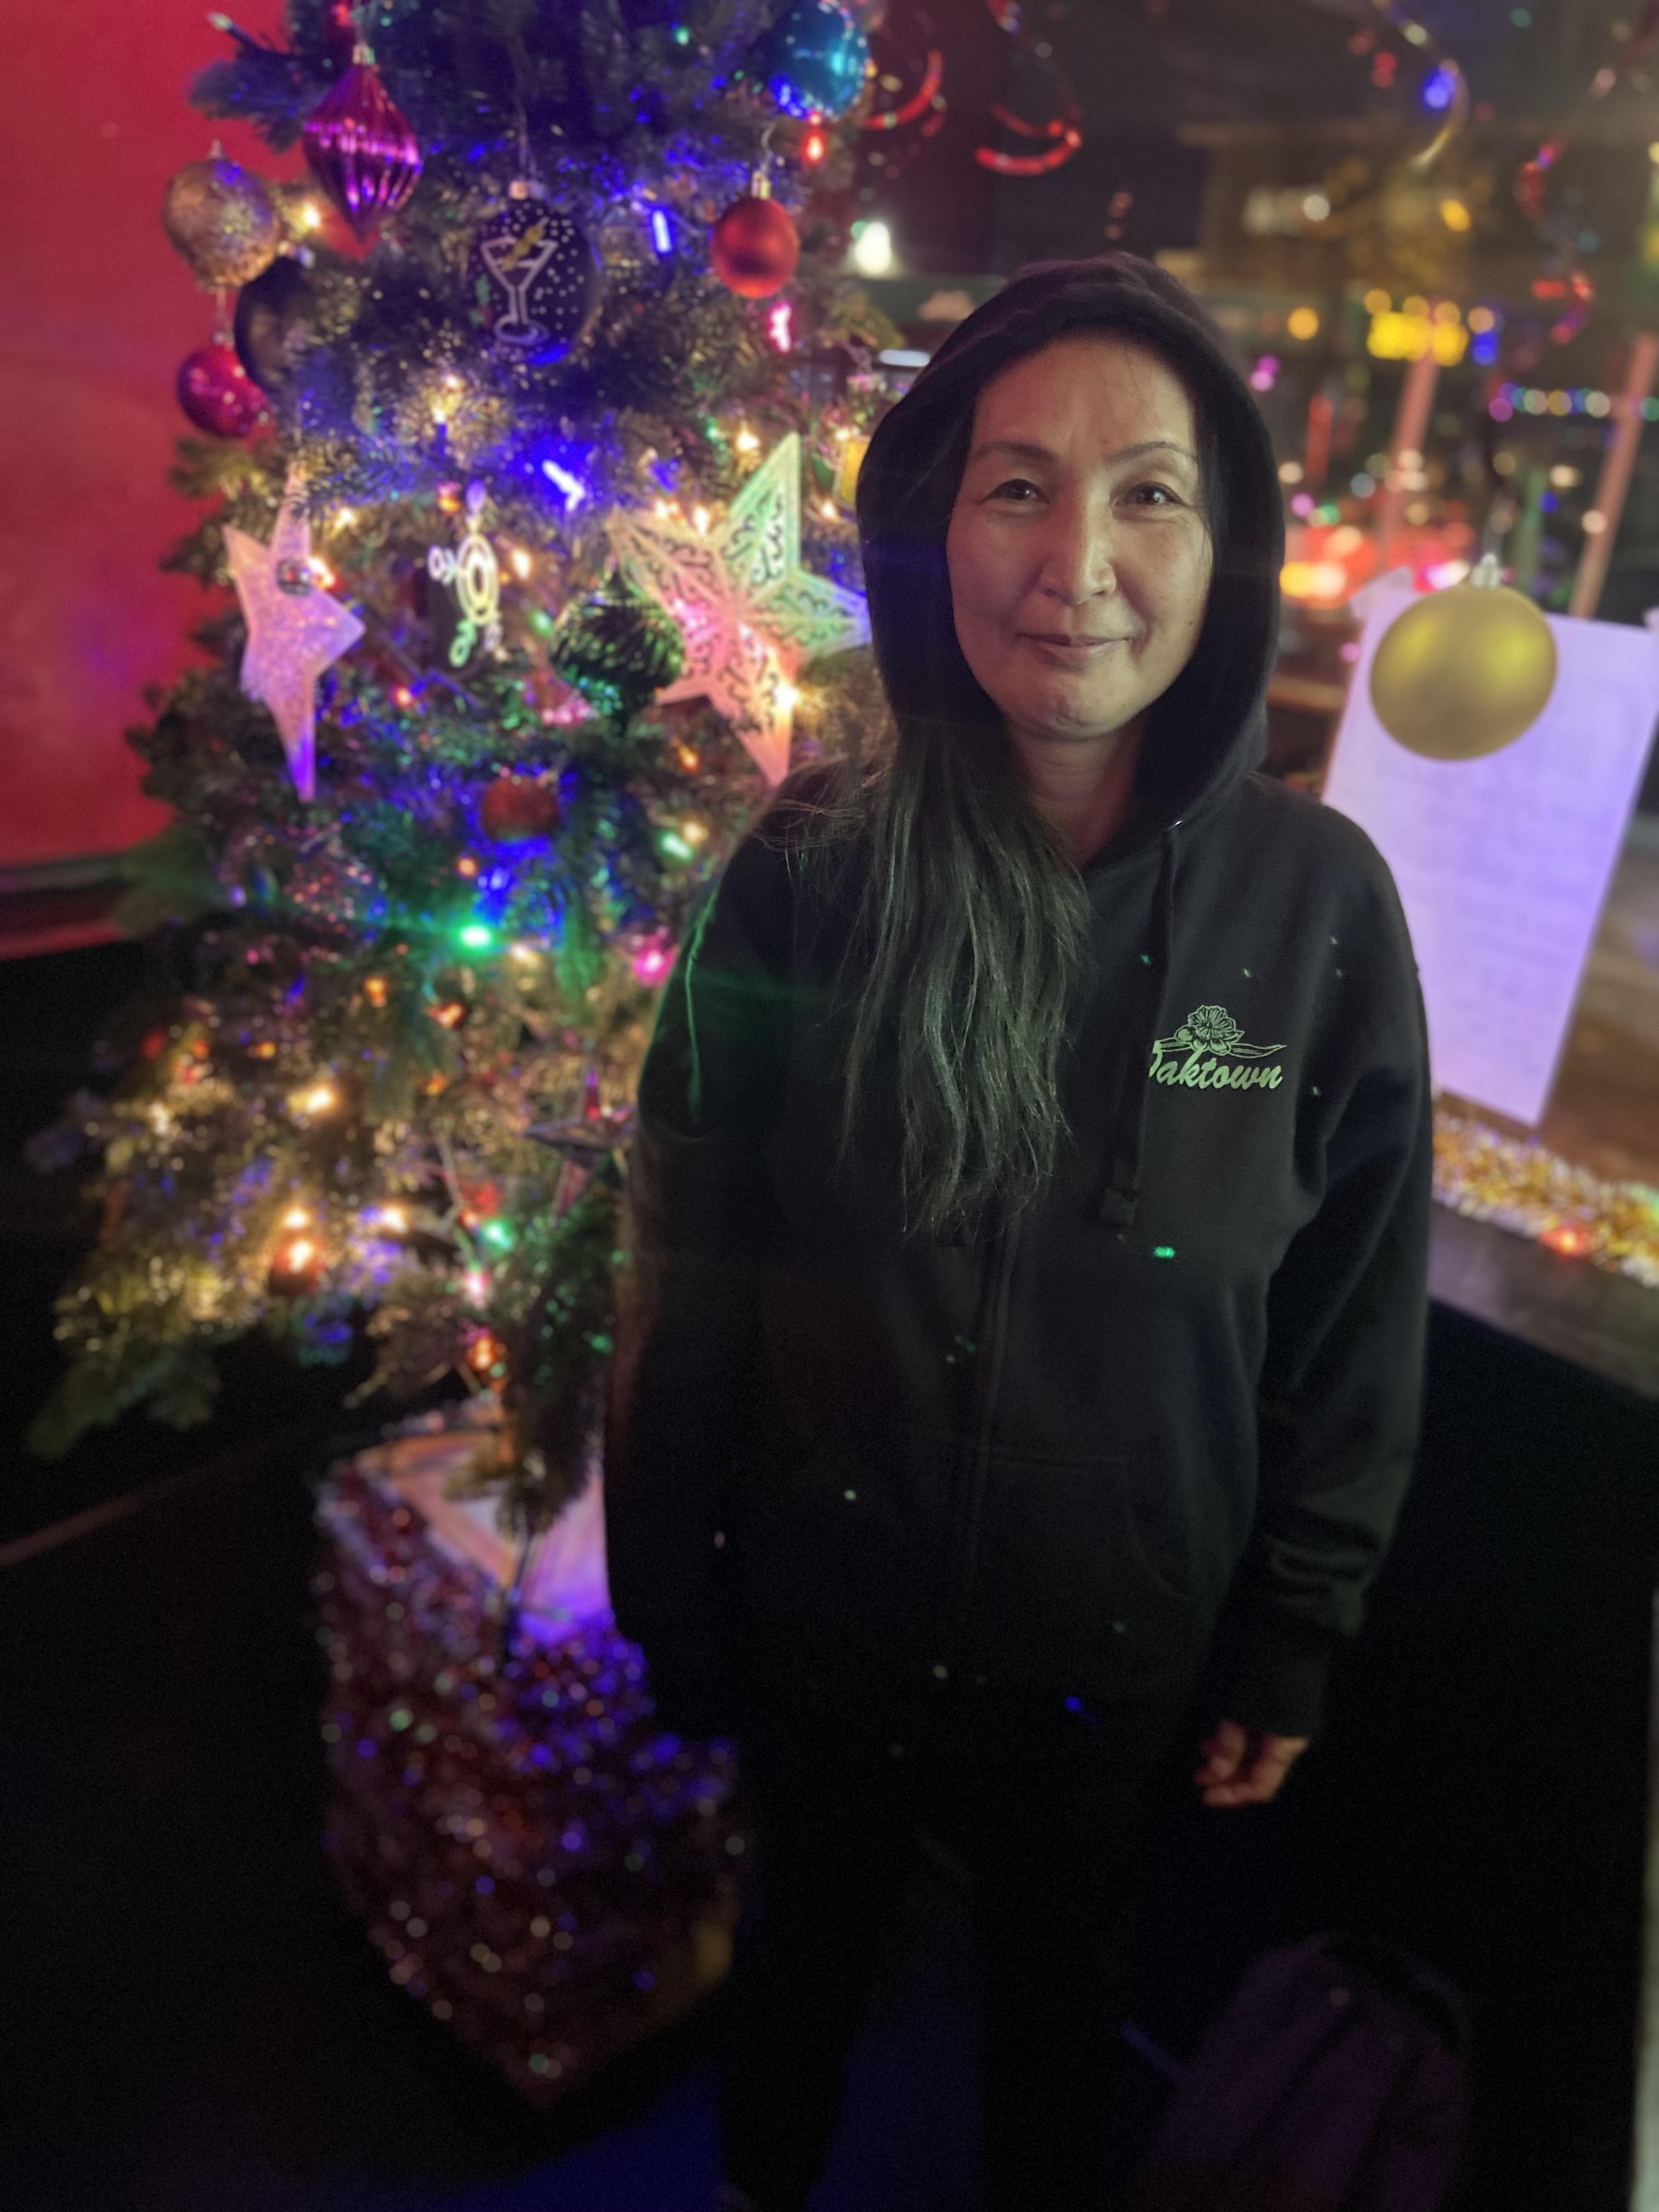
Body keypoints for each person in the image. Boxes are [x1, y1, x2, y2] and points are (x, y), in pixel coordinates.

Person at [604, 254, 1432, 2212]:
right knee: (796, 1984)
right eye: (1016, 487)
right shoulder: (810, 867)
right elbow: (689, 1250)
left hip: (1123, 1658)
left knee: (1062, 2033)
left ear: (1223, 547)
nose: (1080, 564)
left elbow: (1350, 1317)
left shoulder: (1319, 907)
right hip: (825, 1622)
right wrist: (672, 1588)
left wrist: (1293, 1636)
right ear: (933, 525)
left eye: (1150, 493)